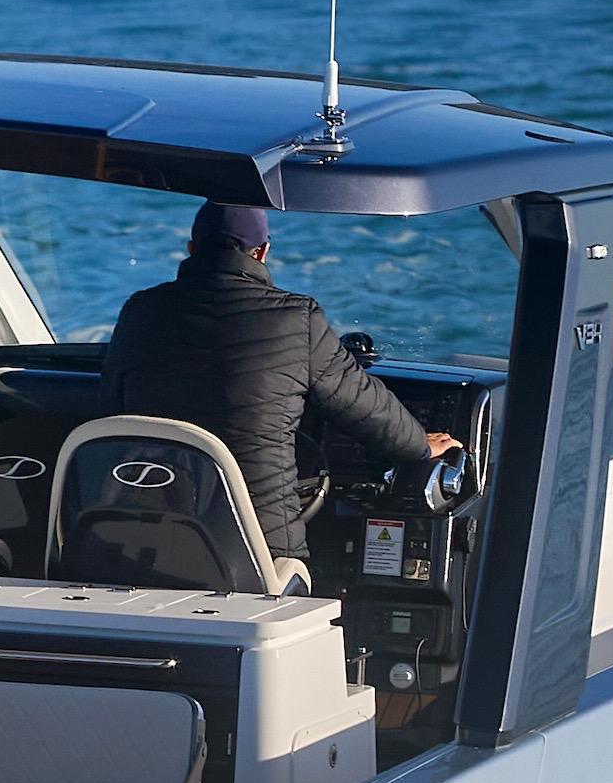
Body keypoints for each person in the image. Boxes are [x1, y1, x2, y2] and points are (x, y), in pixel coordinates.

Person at [100, 202, 457, 562]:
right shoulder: (296, 318)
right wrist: (418, 446)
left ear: (192, 249)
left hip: (143, 536)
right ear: (262, 252)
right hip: (255, 546)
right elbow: (363, 405)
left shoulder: (140, 311)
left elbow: (111, 409)